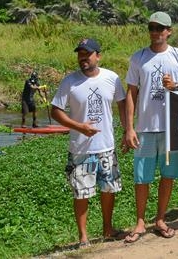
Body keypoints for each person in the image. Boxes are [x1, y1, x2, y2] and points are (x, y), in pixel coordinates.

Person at [123, 12, 178, 243]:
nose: (155, 32)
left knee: (168, 175)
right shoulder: (139, 57)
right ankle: (140, 222)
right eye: (152, 27)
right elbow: (131, 93)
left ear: (169, 31)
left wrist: (175, 86)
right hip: (145, 128)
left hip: (170, 129)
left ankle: (160, 219)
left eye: (160, 28)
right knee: (141, 177)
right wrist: (129, 128)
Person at [50, 38, 127, 246]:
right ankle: (83, 237)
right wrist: (79, 126)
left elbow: (122, 103)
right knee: (81, 193)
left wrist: (128, 130)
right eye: (80, 54)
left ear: (98, 56)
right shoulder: (69, 82)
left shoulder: (112, 78)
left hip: (106, 146)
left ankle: (108, 229)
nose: (83, 58)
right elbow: (55, 111)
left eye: (87, 54)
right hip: (80, 149)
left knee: (108, 189)